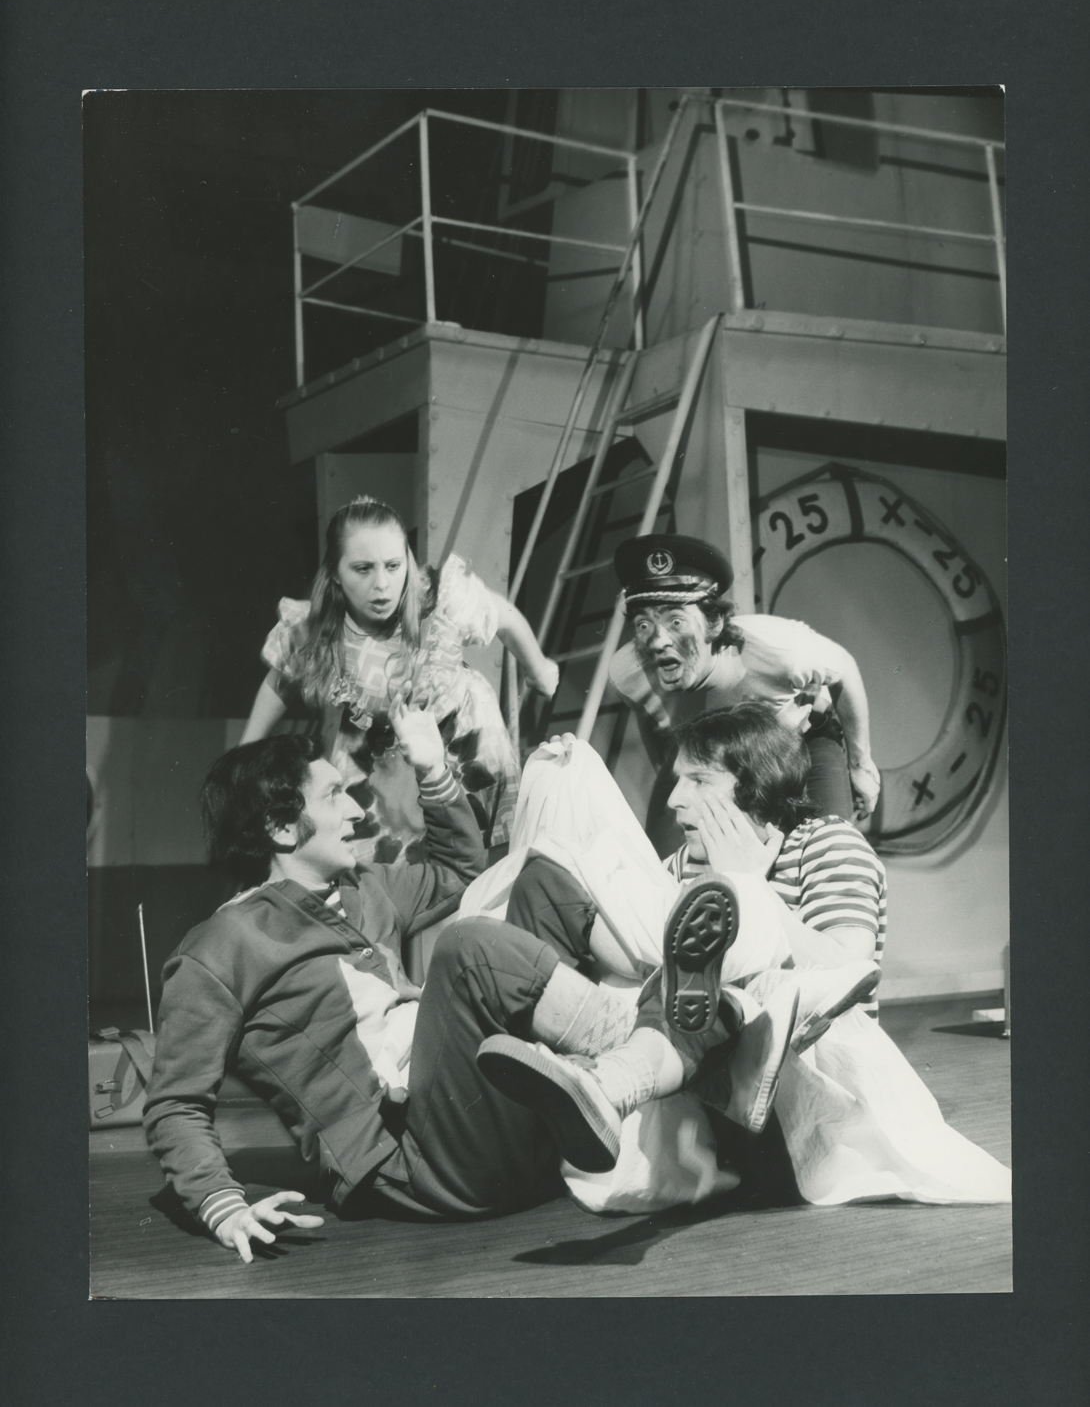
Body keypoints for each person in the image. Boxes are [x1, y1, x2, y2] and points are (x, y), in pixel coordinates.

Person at [144, 705, 653, 1263]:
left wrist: (432, 769)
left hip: (499, 1124)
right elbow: (175, 1102)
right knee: (466, 950)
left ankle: (625, 1064)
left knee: (543, 880)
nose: (357, 810)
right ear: (281, 827)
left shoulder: (365, 887)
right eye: (334, 795)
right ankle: (642, 1050)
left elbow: (462, 873)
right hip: (420, 1162)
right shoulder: (219, 946)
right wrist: (222, 1206)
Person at [477, 707, 1011, 1208]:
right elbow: (638, 958)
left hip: (798, 1114)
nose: (674, 800)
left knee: (727, 985)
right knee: (559, 890)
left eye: (699, 780)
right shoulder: (684, 862)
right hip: (701, 1106)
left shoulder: (828, 844)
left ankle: (604, 1080)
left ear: (755, 785)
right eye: (678, 779)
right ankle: (583, 1092)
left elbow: (847, 969)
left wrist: (748, 884)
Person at [240, 495, 558, 862]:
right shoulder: (319, 629)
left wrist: (539, 669)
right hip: (376, 752)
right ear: (335, 574)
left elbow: (504, 616)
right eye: (363, 569)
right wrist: (245, 752)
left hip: (461, 736)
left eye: (393, 566)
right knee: (378, 864)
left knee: (478, 851)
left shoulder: (438, 600)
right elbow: (281, 680)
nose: (382, 584)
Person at [606, 532, 882, 851]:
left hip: (796, 742)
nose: (657, 641)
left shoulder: (778, 649)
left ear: (714, 624)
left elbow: (844, 668)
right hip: (706, 754)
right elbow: (650, 719)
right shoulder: (628, 673)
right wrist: (672, 771)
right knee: (665, 862)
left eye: (676, 622)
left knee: (829, 847)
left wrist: (861, 765)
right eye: (643, 625)